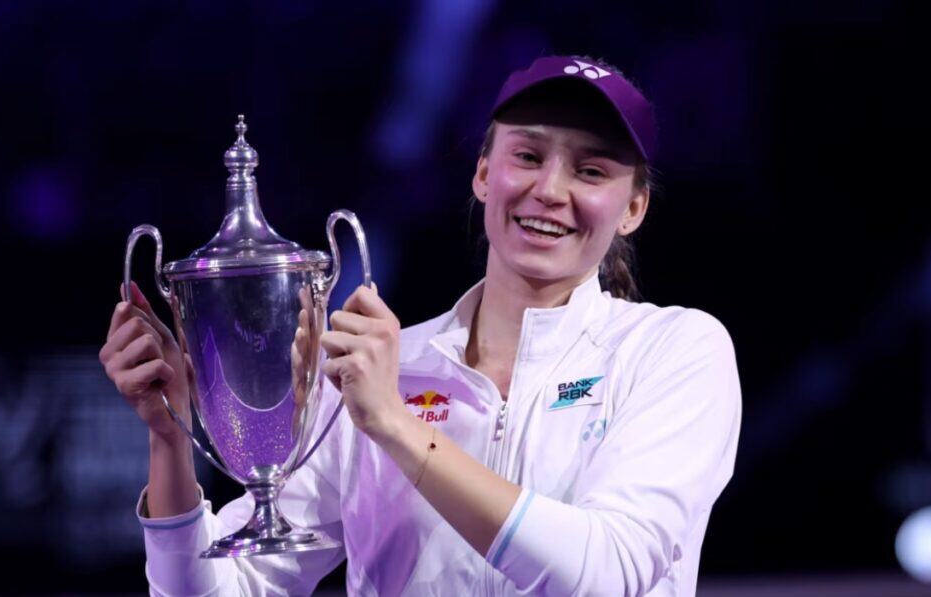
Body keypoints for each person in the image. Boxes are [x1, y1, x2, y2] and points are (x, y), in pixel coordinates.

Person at [99, 54, 742, 596]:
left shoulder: (673, 351)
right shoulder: (380, 371)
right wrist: (171, 435)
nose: (550, 189)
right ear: (484, 175)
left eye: (591, 170)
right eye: (527, 155)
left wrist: (395, 424)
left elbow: (606, 573)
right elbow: (218, 590)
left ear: (633, 209)